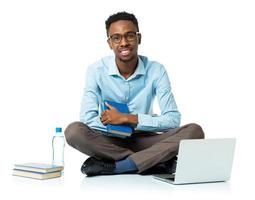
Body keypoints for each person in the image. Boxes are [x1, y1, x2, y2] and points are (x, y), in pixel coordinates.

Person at [64, 11, 204, 177]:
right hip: (108, 141)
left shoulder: (156, 70)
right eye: (116, 38)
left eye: (129, 36)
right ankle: (152, 161)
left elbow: (173, 119)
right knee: (73, 131)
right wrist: (116, 126)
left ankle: (120, 166)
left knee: (195, 131)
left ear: (139, 38)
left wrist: (127, 118)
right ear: (109, 43)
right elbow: (88, 119)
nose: (123, 43)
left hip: (145, 139)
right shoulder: (96, 70)